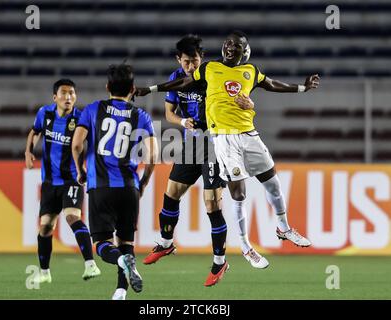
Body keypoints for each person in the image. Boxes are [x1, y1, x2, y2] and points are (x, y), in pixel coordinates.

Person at [136, 30, 320, 267]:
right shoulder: (208, 69)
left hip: (238, 136)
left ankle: (276, 231)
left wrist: (301, 89)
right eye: (229, 44)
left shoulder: (249, 71)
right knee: (223, 194)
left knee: (266, 186)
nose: (232, 48)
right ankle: (237, 246)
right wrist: (151, 91)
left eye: (238, 46)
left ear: (245, 52)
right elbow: (179, 89)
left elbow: (270, 84)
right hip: (211, 140)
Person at [142, 35, 256, 287]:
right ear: (178, 60)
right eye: (186, 62)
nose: (191, 66)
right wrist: (182, 122)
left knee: (212, 205)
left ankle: (219, 261)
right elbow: (170, 114)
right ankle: (166, 242)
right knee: (171, 193)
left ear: (201, 59)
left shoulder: (214, 74)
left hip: (216, 144)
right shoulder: (176, 79)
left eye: (194, 61)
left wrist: (249, 106)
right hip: (191, 143)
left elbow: (239, 98)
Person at [72, 64, 158, 300]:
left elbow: (77, 144)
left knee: (101, 244)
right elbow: (153, 156)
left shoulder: (92, 110)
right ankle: (120, 291)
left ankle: (120, 261)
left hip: (100, 187)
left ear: (107, 86)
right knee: (126, 241)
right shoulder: (141, 116)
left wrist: (80, 170)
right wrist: (143, 183)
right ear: (132, 89)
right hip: (129, 187)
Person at [25, 79, 101, 284]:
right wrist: (29, 150)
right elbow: (35, 131)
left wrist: (87, 169)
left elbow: (92, 143)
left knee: (72, 217)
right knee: (45, 227)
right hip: (50, 181)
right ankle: (44, 272)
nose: (68, 97)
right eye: (64, 93)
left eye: (72, 93)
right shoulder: (45, 113)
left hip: (72, 179)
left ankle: (90, 264)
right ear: (55, 97)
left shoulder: (81, 118)